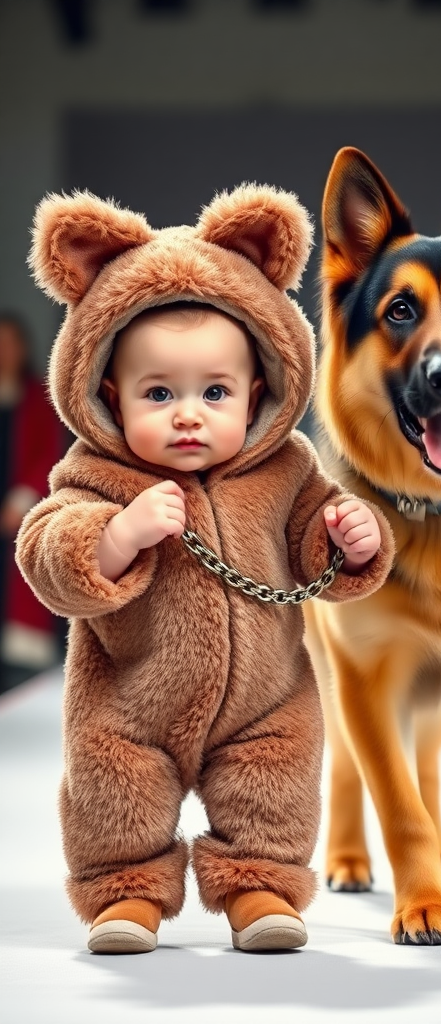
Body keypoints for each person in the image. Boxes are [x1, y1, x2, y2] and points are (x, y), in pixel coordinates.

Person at [16, 185, 395, 955]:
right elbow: (46, 551)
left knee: (275, 780)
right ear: (108, 397)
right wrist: (117, 536)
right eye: (159, 393)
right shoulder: (93, 474)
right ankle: (126, 894)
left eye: (213, 392)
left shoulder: (287, 469)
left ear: (258, 392)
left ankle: (259, 883)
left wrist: (353, 539)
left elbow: (313, 542)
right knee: (112, 788)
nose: (188, 414)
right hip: (130, 698)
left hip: (264, 697)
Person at [0, 313, 63, 690]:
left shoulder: (38, 398)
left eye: (9, 343)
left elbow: (47, 453)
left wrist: (20, 500)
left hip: (20, 512)